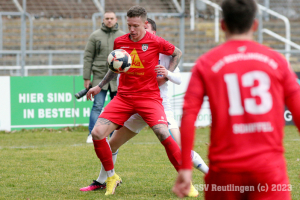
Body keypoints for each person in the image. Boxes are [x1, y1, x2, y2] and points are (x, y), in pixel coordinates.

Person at [173, 0, 300, 199]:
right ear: (255, 25)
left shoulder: (206, 63)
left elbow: (189, 116)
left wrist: (186, 168)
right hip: (269, 170)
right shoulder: (277, 61)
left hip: (224, 172)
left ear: (222, 25)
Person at [80, 18, 208, 197]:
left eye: (139, 27)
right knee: (107, 140)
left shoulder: (160, 47)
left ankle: (198, 178)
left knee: (177, 144)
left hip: (156, 104)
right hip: (127, 101)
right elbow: (115, 66)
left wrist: (167, 72)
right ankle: (106, 179)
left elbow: (177, 65)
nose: (133, 30)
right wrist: (100, 85)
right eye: (130, 26)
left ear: (152, 32)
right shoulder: (123, 42)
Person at [83, 11, 125, 143]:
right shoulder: (95, 36)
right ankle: (92, 134)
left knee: (117, 107)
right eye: (107, 18)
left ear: (116, 19)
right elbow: (88, 57)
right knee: (97, 105)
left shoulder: (123, 36)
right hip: (99, 76)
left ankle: (114, 135)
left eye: (112, 18)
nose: (109, 21)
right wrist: (86, 78)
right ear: (103, 19)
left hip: (117, 77)